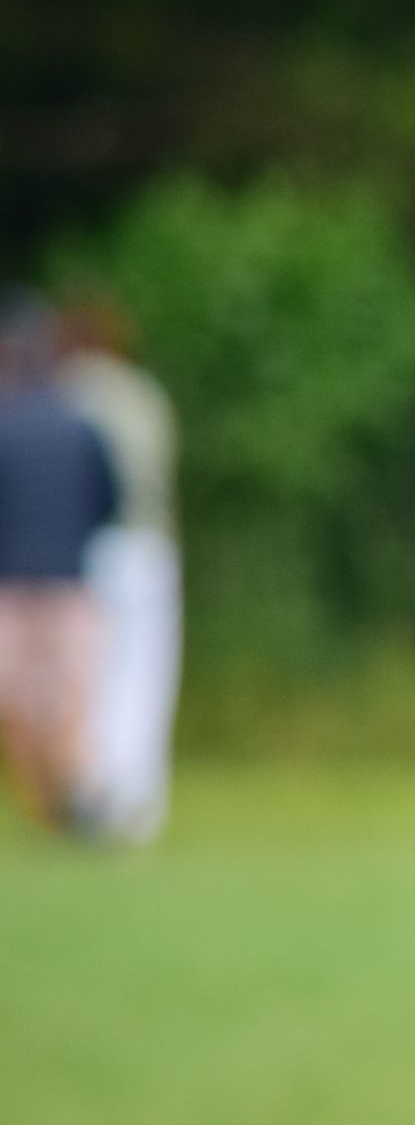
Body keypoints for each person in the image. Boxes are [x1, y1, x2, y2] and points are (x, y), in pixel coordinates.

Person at [58, 291, 182, 844]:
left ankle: (92, 793)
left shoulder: (65, 395)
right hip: (146, 544)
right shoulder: (142, 394)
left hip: (85, 551)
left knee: (88, 678)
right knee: (144, 675)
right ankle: (136, 801)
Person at [0, 291, 119, 830]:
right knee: (71, 700)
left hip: (11, 584)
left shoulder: (4, 426)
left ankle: (48, 808)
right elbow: (108, 501)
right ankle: (73, 801)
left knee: (16, 702)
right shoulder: (82, 426)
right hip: (70, 582)